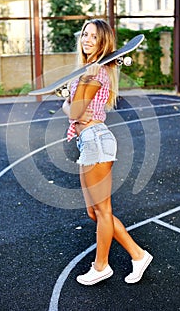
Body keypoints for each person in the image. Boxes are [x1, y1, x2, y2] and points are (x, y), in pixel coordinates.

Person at [62, 19, 153, 286]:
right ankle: (138, 255)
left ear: (103, 43)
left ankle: (101, 266)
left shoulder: (93, 72)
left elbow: (75, 113)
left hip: (96, 142)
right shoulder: (89, 70)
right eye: (84, 35)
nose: (87, 40)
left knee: (102, 211)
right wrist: (71, 100)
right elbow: (76, 111)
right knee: (95, 212)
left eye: (93, 37)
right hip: (88, 141)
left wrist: (69, 103)